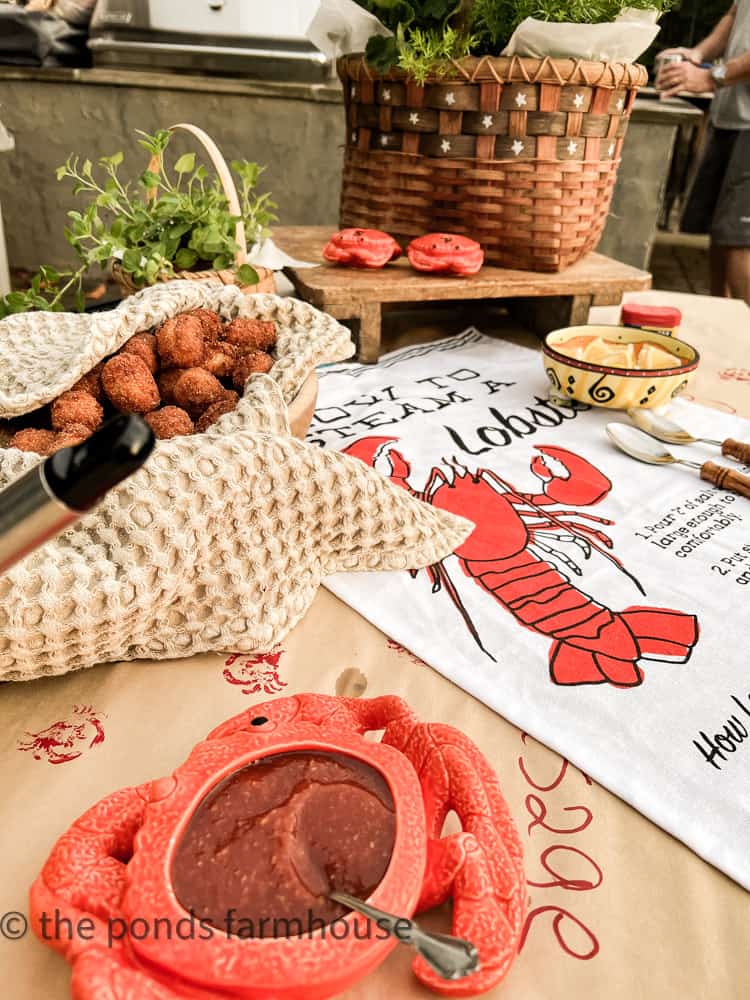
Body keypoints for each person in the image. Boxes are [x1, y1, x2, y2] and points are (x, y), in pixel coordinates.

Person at [657, 3, 750, 306]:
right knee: (721, 234)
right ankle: (724, 323)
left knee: (741, 241)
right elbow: (735, 14)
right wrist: (697, 55)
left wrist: (710, 78)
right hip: (729, 118)